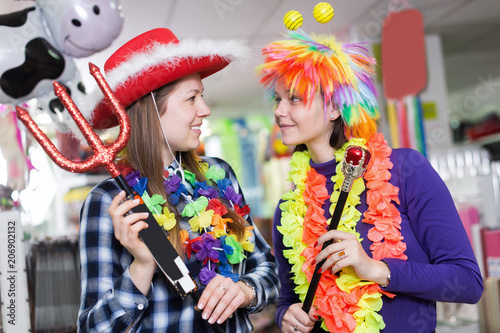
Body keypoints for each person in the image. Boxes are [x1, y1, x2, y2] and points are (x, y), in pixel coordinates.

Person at [257, 29, 483, 333]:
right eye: (277, 98)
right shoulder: (287, 209)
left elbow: (467, 283)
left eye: (294, 98)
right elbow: (288, 299)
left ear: (335, 107)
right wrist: (287, 315)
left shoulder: (404, 169)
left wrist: (374, 269)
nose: (279, 111)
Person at [77, 28, 280, 332]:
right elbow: (92, 328)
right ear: (151, 110)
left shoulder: (220, 176)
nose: (205, 110)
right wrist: (142, 267)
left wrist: (245, 291)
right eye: (191, 99)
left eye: (203, 96)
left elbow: (269, 270)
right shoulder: (108, 200)